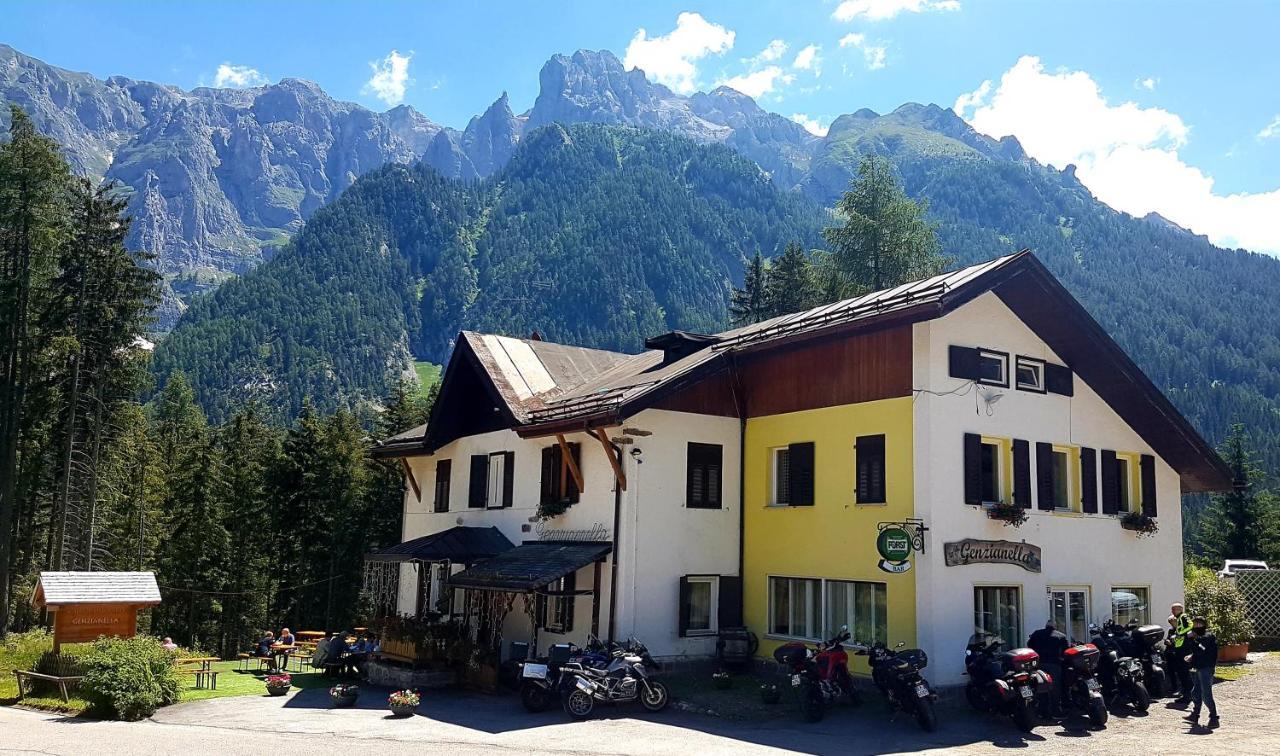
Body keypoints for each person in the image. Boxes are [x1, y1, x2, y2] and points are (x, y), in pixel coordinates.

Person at [1183, 617, 1219, 729]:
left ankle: (1214, 717)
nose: (1197, 626)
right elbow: (1199, 651)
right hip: (1198, 667)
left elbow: (1201, 648)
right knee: (1195, 692)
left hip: (1206, 668)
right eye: (1195, 624)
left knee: (1206, 694)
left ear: (1204, 625)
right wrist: (1191, 657)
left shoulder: (1208, 636)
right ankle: (1195, 714)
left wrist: (1192, 639)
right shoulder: (1198, 637)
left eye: (1199, 624)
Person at [1027, 620, 1069, 715]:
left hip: (1039, 664)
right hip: (1054, 664)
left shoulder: (1037, 633)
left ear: (1046, 626)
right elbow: (1065, 651)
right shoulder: (1061, 636)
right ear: (1055, 627)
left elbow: (1029, 645)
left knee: (1041, 685)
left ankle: (1042, 709)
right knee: (1055, 687)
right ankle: (1055, 710)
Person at [1169, 603, 1194, 703]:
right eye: (1172, 610)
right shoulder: (1179, 618)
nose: (1172, 612)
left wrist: (1179, 634)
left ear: (1180, 609)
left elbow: (1190, 625)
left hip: (1184, 648)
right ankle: (1186, 694)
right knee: (1181, 672)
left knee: (1184, 672)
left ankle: (1188, 695)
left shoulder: (1183, 616)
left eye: (1174, 609)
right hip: (1179, 647)